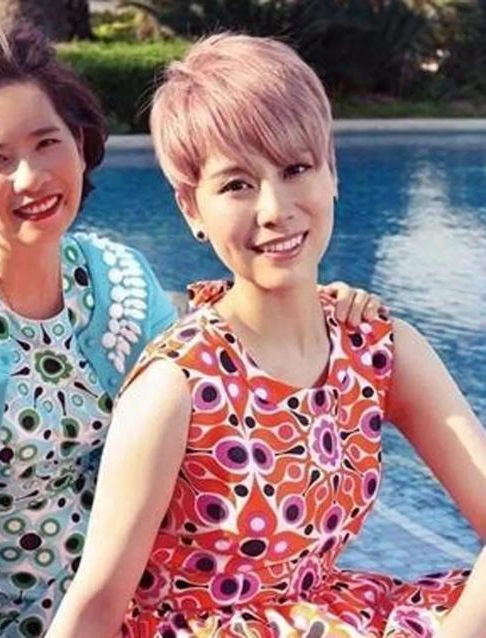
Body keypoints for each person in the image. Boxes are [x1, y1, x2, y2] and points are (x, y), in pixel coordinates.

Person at [0, 25, 377, 638]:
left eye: (47, 142)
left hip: (149, 620)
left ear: (79, 144)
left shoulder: (123, 281)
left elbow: (216, 393)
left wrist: (311, 305)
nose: (31, 177)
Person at [49, 33, 486, 638]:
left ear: (332, 172)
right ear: (191, 208)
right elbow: (96, 605)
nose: (276, 209)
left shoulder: (375, 350)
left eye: (296, 168)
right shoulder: (178, 385)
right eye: (236, 184)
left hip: (328, 617)